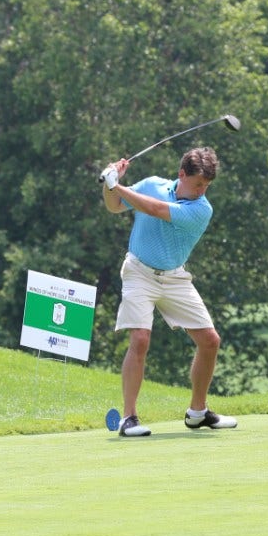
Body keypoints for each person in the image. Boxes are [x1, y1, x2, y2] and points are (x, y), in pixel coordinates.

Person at [100, 147, 237, 437]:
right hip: (139, 272)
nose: (202, 190)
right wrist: (109, 184)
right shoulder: (151, 184)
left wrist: (118, 185)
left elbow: (154, 209)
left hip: (175, 277)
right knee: (139, 339)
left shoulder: (201, 209)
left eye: (207, 186)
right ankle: (129, 418)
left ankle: (197, 413)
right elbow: (114, 206)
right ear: (181, 175)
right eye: (198, 183)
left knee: (210, 341)